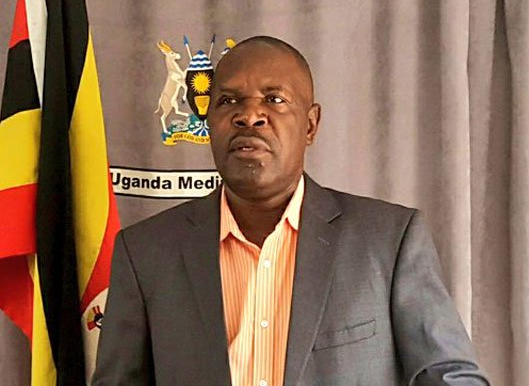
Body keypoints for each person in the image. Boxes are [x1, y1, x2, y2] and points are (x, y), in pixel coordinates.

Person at [92, 36, 490, 386]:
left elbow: (449, 376)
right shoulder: (146, 252)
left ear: (311, 125)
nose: (249, 115)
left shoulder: (388, 242)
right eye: (228, 101)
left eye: (274, 99)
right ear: (209, 121)